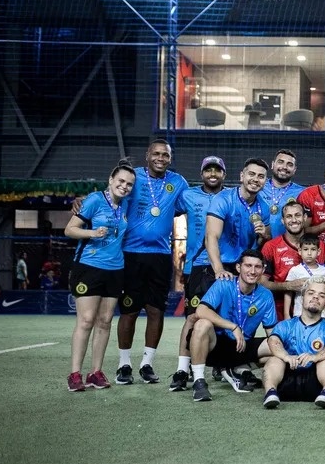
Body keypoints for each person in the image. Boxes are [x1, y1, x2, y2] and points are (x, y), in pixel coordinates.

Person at [115, 139, 189, 386]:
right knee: (130, 310)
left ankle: (147, 364)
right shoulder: (133, 177)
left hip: (159, 257)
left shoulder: (178, 183)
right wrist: (81, 203)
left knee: (156, 311)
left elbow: (193, 205)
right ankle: (124, 364)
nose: (160, 158)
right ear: (147, 155)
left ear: (170, 158)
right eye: (156, 154)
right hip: (130, 254)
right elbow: (112, 192)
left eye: (165, 155)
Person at [65, 161, 136, 391]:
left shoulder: (125, 205)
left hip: (115, 269)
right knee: (86, 321)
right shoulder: (95, 200)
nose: (124, 187)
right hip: (88, 267)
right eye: (121, 181)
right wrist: (92, 233)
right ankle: (75, 374)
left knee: (105, 322)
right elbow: (70, 229)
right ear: (110, 180)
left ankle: (95, 372)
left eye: (129, 184)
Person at [188, 249, 277, 402]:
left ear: (263, 269)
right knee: (202, 324)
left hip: (242, 347)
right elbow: (201, 310)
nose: (252, 271)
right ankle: (199, 381)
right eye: (248, 266)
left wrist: (282, 350)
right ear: (238, 268)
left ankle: (238, 368)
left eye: (257, 267)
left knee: (277, 345)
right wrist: (233, 327)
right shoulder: (224, 284)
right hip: (217, 344)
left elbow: (272, 332)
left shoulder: (266, 295)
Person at [170, 155, 227, 391]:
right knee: (193, 318)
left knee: (225, 319)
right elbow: (164, 211)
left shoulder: (230, 196)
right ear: (202, 173)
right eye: (208, 170)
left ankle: (221, 365)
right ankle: (183, 369)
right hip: (198, 267)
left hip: (226, 267)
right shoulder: (187, 195)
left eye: (217, 170)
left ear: (224, 174)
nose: (212, 174)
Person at [260, 278, 325, 410]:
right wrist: (286, 356)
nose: (315, 297)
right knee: (275, 359)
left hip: (315, 384)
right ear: (302, 296)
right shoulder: (285, 325)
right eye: (311, 293)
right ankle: (270, 392)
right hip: (286, 380)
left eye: (321, 296)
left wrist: (315, 357)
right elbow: (273, 341)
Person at [202, 157, 272, 283]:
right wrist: (219, 270)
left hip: (245, 267)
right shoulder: (223, 199)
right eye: (251, 174)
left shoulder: (264, 208)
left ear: (265, 182)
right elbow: (211, 237)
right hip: (219, 262)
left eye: (261, 176)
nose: (256, 179)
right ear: (242, 176)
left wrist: (263, 236)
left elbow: (264, 240)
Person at [260, 200, 315, 320]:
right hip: (280, 307)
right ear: (282, 221)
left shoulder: (319, 246)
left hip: (313, 306)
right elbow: (262, 283)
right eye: (289, 216)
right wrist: (288, 286)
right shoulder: (271, 247)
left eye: (298, 215)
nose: (294, 220)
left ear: (305, 217)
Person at [282, 234, 325, 321]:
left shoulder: (324, 270)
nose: (309, 253)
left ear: (318, 252)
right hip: (300, 314)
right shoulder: (295, 270)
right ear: (299, 251)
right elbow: (288, 293)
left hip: (322, 315)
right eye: (305, 249)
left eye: (313, 249)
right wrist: (286, 314)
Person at [261, 149, 305, 238]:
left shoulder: (303, 193)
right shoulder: (259, 186)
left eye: (290, 164)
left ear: (294, 169)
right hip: (256, 244)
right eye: (281, 162)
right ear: (273, 165)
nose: (284, 167)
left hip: (286, 247)